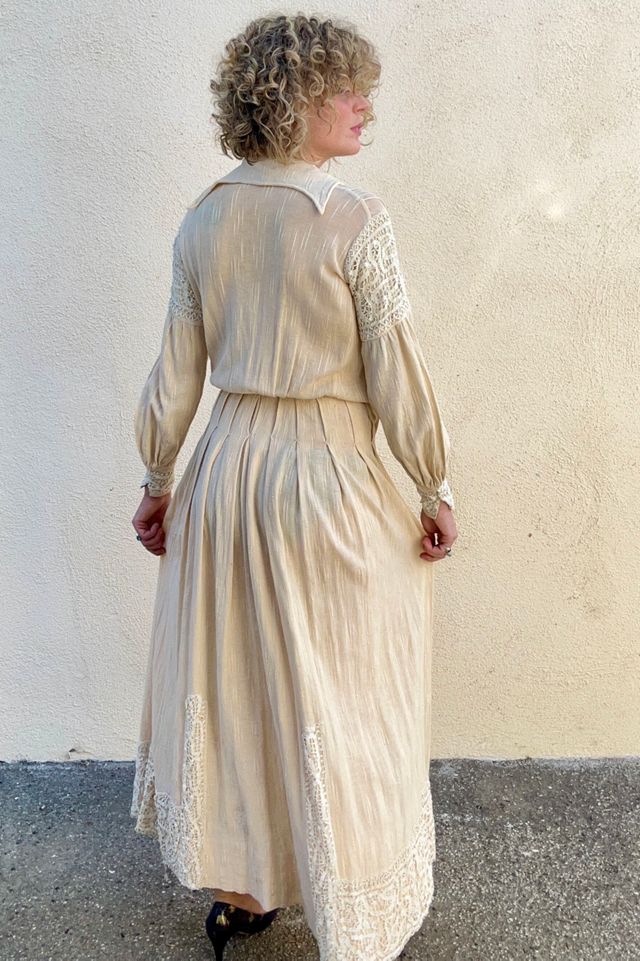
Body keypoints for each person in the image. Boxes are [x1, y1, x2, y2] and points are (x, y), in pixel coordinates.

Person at [129, 12, 459, 961]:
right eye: (343, 89)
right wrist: (434, 483)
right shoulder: (353, 219)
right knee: (350, 690)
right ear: (291, 99)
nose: (364, 105)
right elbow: (394, 369)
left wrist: (159, 477)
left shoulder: (204, 218)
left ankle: (246, 893)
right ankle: (356, 901)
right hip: (327, 481)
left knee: (237, 686)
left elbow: (176, 372)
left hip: (224, 476)